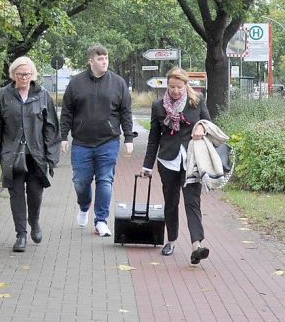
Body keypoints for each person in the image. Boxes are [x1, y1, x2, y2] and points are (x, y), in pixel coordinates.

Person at [0, 56, 60, 252]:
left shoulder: (42, 95)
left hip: (36, 155)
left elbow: (51, 128)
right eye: (19, 74)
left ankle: (34, 221)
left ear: (33, 75)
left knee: (35, 193)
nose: (24, 77)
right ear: (13, 75)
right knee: (16, 194)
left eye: (27, 74)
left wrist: (51, 157)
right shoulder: (3, 96)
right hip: (11, 155)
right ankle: (21, 235)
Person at [60, 45, 135, 237]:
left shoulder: (118, 83)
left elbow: (126, 111)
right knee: (80, 181)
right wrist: (63, 137)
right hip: (81, 142)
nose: (104, 61)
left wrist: (128, 137)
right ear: (91, 61)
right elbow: (67, 111)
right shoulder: (76, 83)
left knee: (105, 180)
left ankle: (101, 220)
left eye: (106, 58)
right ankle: (84, 206)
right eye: (100, 58)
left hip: (108, 141)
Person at [140, 67, 210, 263]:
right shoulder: (158, 106)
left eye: (179, 87)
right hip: (167, 161)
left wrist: (202, 127)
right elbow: (153, 138)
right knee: (171, 203)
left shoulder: (196, 101)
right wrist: (147, 165)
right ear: (167, 85)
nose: (176, 91)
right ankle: (170, 241)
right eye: (172, 87)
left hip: (192, 160)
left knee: (192, 201)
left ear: (186, 85)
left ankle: (197, 245)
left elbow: (208, 122)